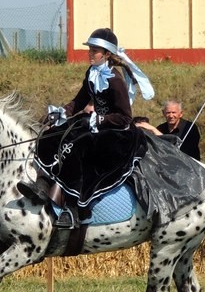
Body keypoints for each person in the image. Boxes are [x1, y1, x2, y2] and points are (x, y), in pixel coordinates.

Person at [19, 27, 154, 228]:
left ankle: (78, 209)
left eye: (94, 50)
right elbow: (80, 100)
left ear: (107, 54)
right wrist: (62, 112)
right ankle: (43, 184)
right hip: (95, 124)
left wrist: (99, 119)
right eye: (90, 49)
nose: (90, 53)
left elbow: (125, 117)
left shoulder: (115, 81)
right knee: (52, 135)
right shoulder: (92, 72)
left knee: (77, 148)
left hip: (116, 133)